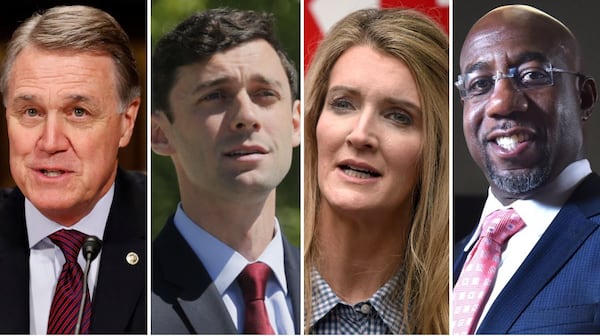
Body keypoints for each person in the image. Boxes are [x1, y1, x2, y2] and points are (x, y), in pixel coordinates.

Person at [150, 8, 301, 334]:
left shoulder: (343, 292)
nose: (246, 115)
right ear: (161, 135)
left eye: (265, 94)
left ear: (296, 122)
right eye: (215, 96)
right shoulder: (129, 301)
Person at [452, 4, 600, 334]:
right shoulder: (443, 262)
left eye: (532, 75)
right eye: (479, 84)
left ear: (584, 98)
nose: (501, 103)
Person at [0, 5, 146, 334]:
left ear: (127, 122)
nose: (50, 142)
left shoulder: (174, 233)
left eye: (78, 111)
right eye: (31, 111)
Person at [304, 8, 449, 334]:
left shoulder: (467, 311)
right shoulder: (265, 298)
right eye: (343, 103)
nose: (360, 135)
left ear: (435, 152)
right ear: (314, 121)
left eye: (398, 116)